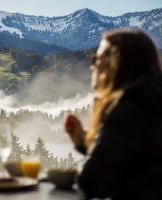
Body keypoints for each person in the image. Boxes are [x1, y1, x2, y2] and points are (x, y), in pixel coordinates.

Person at [65, 29, 162, 199]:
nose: (92, 66)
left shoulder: (129, 111)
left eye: (96, 59)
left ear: (114, 64)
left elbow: (93, 184)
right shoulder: (150, 101)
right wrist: (84, 141)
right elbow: (129, 160)